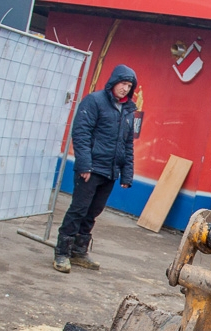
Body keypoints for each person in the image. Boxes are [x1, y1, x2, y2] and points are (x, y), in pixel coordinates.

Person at [54, 64, 138, 273]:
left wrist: (126, 174)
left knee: (93, 212)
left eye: (129, 85)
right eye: (123, 83)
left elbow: (127, 144)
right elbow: (81, 133)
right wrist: (84, 165)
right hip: (90, 169)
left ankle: (79, 252)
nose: (125, 88)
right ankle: (62, 253)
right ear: (113, 82)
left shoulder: (128, 110)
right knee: (78, 210)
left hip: (110, 172)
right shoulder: (94, 101)